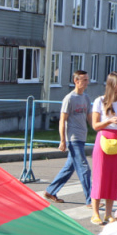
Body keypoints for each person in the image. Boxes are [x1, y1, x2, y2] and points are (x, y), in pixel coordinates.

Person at [44, 70, 92, 207]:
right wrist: (63, 140)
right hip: (73, 138)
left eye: (87, 79)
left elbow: (89, 117)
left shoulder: (86, 98)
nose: (87, 82)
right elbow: (62, 120)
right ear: (76, 81)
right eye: (84, 80)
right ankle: (91, 200)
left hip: (82, 137)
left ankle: (51, 191)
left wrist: (99, 129)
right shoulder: (69, 98)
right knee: (84, 168)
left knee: (69, 168)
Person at [90, 71, 117, 225]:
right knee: (100, 175)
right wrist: (109, 121)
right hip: (104, 138)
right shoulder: (100, 101)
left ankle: (108, 214)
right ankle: (95, 213)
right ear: (111, 84)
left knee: (115, 176)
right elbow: (95, 125)